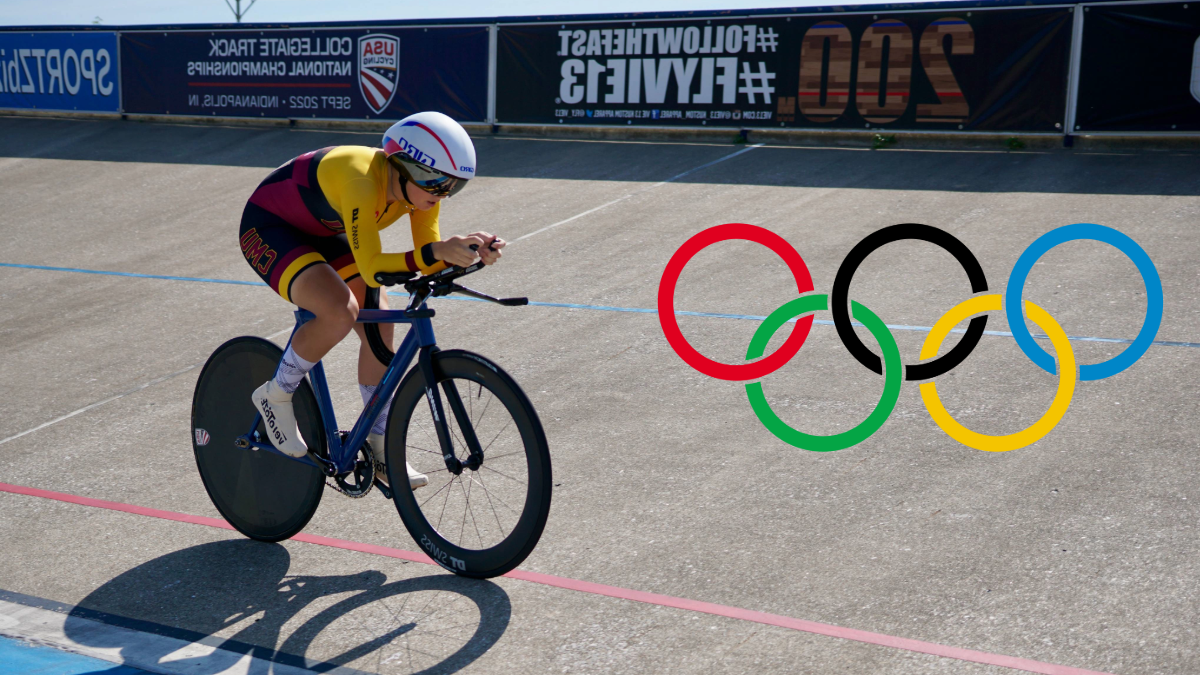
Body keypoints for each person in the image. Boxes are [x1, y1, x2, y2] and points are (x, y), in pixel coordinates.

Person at [237, 111, 505, 489]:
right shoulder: (362, 180)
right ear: (402, 166)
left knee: (380, 323)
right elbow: (375, 267)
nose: (441, 193)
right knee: (338, 311)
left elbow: (427, 255)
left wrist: (467, 250)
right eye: (435, 182)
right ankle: (276, 394)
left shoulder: (421, 193)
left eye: (453, 186)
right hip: (271, 227)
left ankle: (378, 444)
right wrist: (438, 252)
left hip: (329, 229)